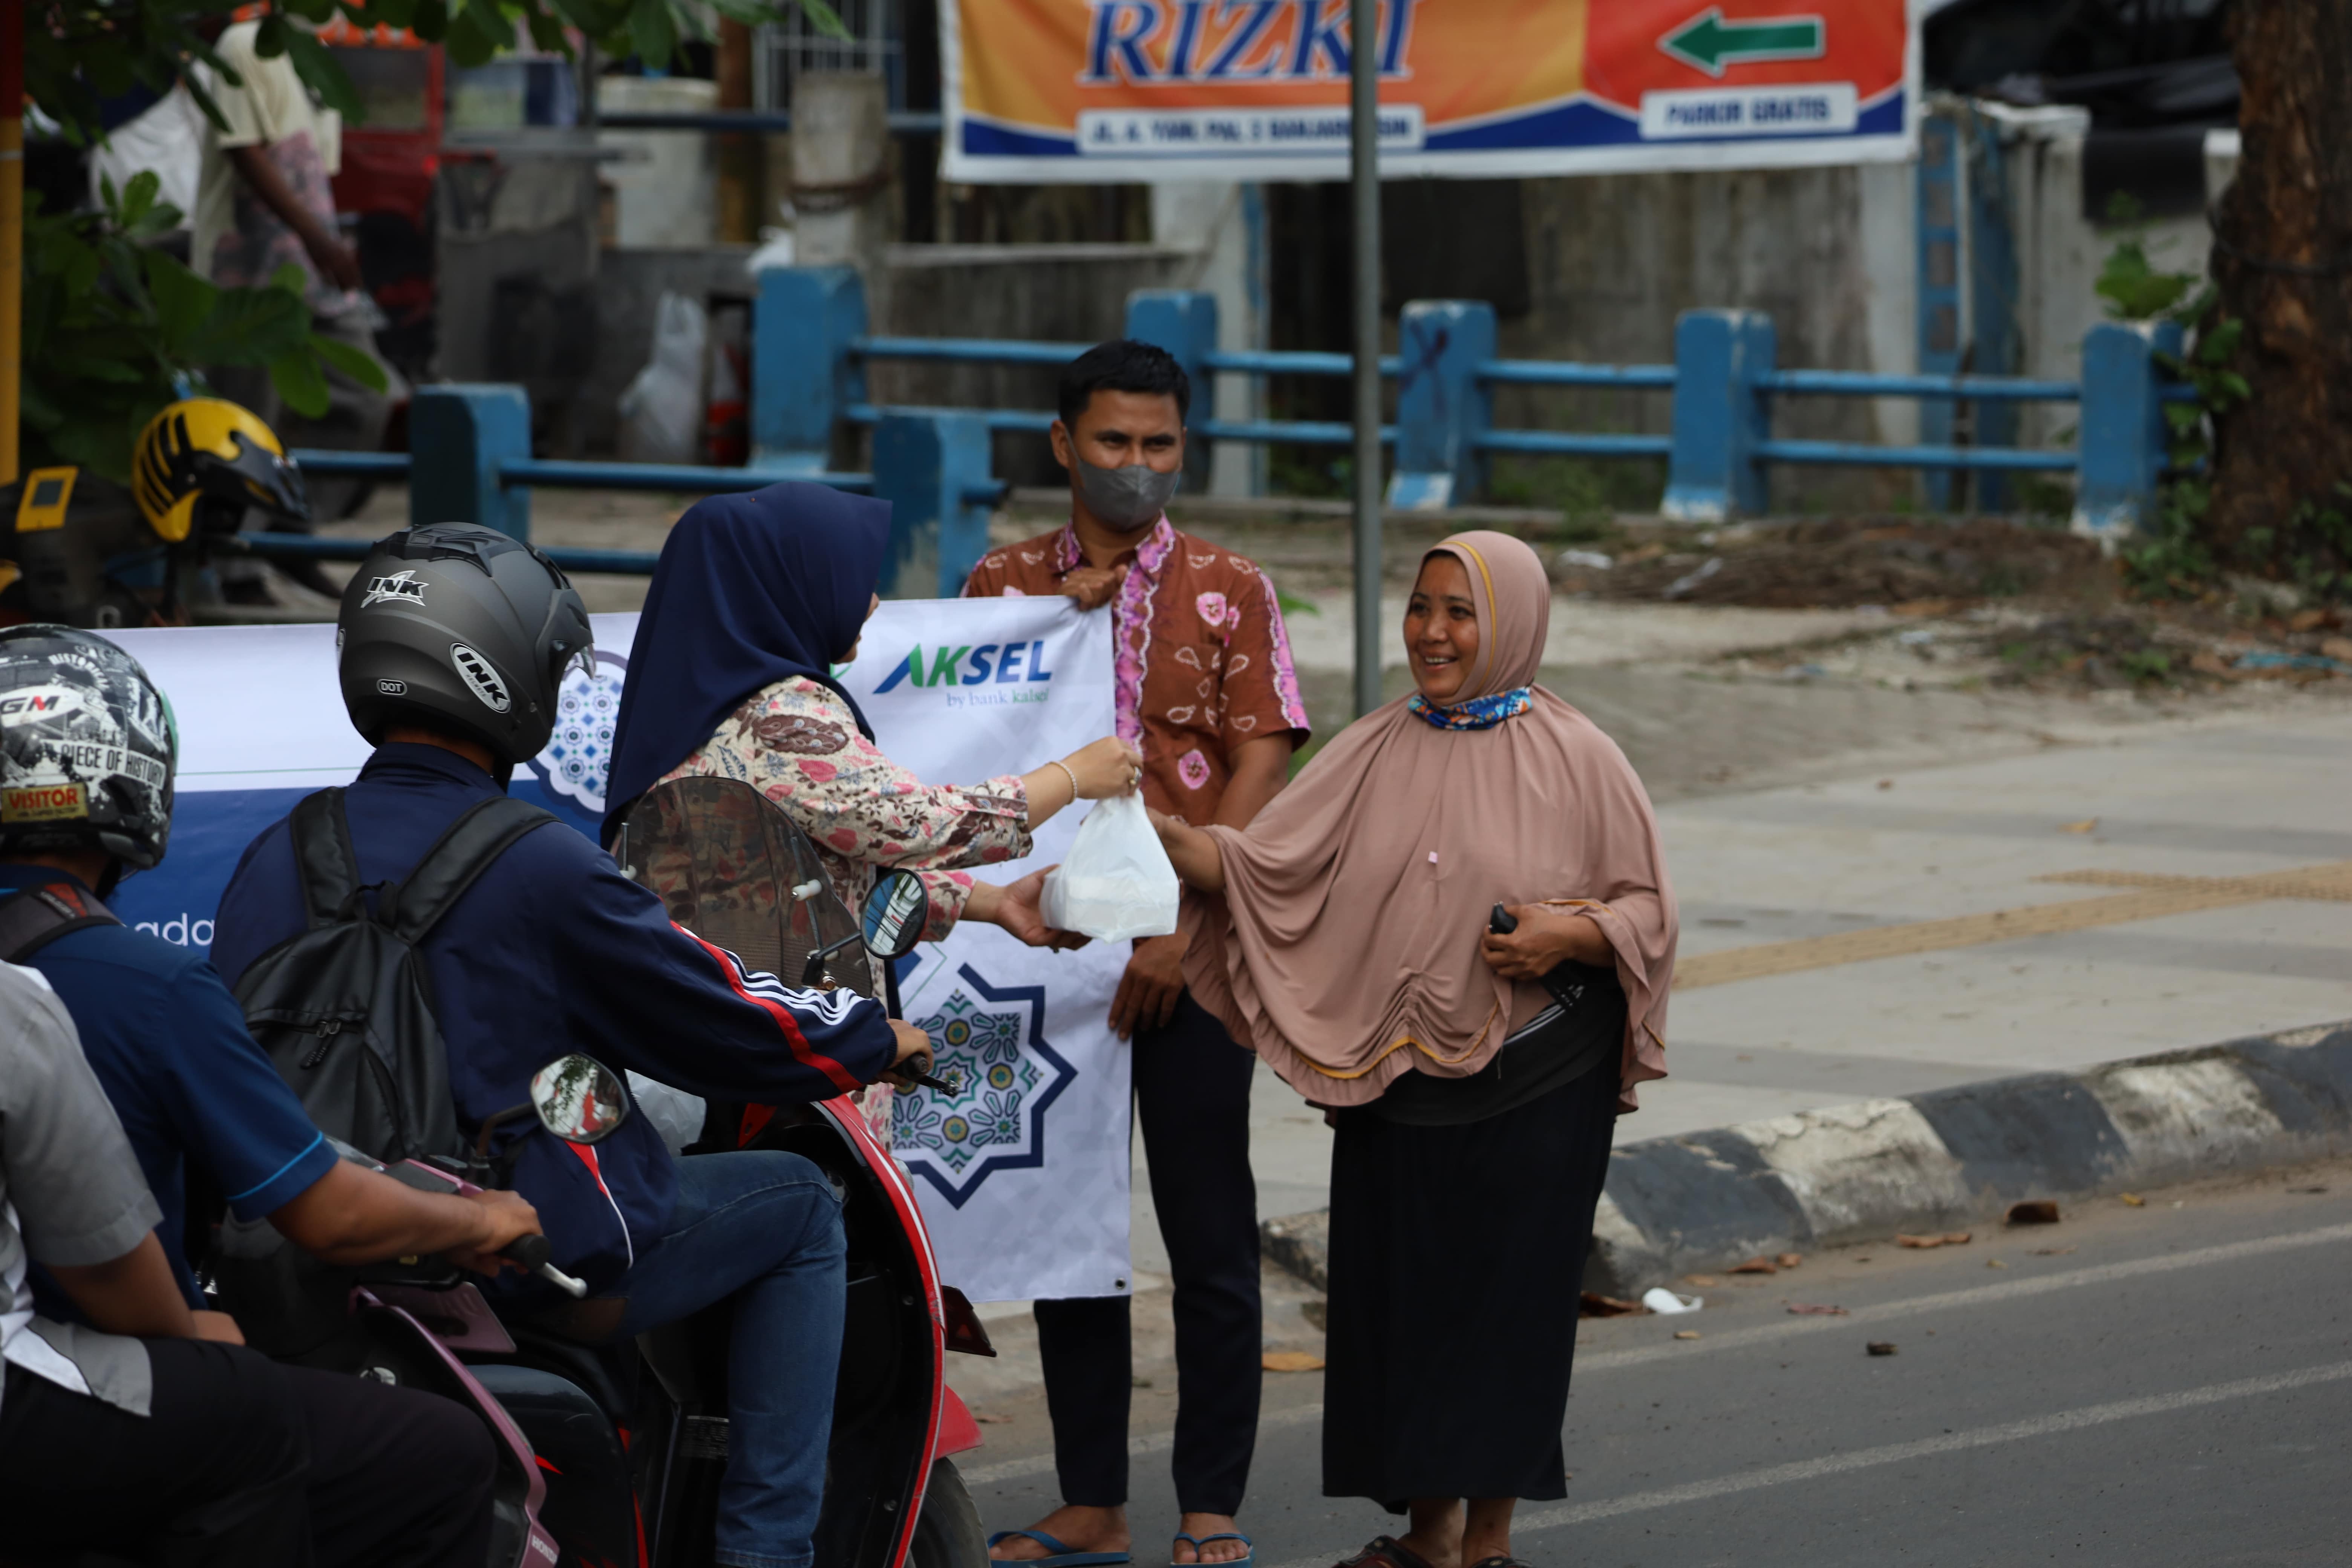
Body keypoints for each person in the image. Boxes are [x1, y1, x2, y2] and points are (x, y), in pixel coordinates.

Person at [212, 522, 935, 1568]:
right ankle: (767, 1555)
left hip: (313, 1252)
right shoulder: (539, 864)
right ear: (504, 672)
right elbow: (729, 1014)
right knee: (800, 1207)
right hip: (507, 1257)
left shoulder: (279, 853)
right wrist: (874, 1035)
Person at [1154, 533, 1677, 1568]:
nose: (1434, 633)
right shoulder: (1372, 745)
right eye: (1422, 608)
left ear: (1512, 623)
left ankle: (1486, 1543)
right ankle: (1427, 1537)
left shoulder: (1582, 756)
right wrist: (1160, 827)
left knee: (1505, 1312)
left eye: (1461, 612)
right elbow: (1266, 867)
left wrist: (1564, 935)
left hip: (1543, 1073)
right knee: (1403, 1309)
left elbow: (1650, 912)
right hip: (1396, 1082)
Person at [964, 339, 1311, 1568]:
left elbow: (1264, 766)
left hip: (1197, 957)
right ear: (1065, 445)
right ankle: (1092, 1500)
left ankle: (1210, 1499)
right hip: (1043, 955)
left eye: (1160, 444)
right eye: (1113, 442)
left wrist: (1183, 926)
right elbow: (959, 747)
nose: (1137, 465)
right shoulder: (1000, 585)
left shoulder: (1232, 587)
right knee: (1074, 1233)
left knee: (1212, 1231)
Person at [598, 481, 1144, 1105]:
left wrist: (993, 904)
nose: (875, 601)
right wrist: (1071, 777)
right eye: (852, 580)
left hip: (741, 1040)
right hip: (784, 1061)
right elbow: (914, 824)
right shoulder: (776, 718)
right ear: (786, 586)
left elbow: (816, 874)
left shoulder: (702, 705)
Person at [0, 958, 499, 1567]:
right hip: (30, 1386)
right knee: (254, 1405)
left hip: (57, 1369)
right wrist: (483, 1220)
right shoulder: (119, 988)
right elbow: (327, 1215)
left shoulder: (267, 877)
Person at [189, 17, 405, 531]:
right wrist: (322, 243)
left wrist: (331, 246)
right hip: (244, 274)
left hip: (311, 273)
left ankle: (291, 525)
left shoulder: (318, 62)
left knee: (367, 396)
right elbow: (243, 149)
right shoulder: (245, 43)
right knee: (243, 420)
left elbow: (316, 177)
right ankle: (234, 562)